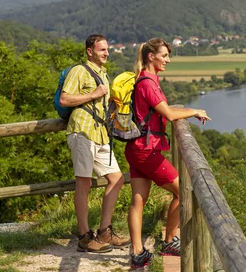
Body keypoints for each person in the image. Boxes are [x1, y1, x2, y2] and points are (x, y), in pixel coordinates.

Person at [125, 38, 211, 269]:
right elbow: (169, 115)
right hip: (147, 150)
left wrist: (182, 110)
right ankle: (169, 241)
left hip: (136, 148)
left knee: (138, 201)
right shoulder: (148, 83)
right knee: (183, 191)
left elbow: (162, 110)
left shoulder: (144, 79)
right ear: (151, 56)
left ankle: (137, 253)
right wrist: (194, 111)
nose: (168, 60)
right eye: (164, 55)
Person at [60, 34, 131, 253]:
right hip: (82, 131)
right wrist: (94, 94)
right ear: (90, 51)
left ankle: (104, 232)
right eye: (102, 50)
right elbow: (65, 99)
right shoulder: (79, 71)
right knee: (84, 183)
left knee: (117, 179)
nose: (107, 53)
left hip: (100, 133)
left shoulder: (103, 73)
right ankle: (83, 237)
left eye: (107, 49)